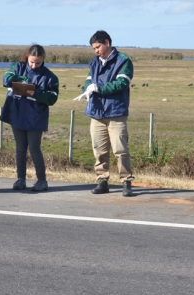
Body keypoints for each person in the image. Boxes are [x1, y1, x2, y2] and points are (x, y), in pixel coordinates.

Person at [74, 30, 134, 197]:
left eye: (98, 47)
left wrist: (98, 88)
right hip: (97, 112)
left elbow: (121, 83)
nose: (96, 51)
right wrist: (87, 89)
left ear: (107, 43)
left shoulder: (123, 61)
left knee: (120, 150)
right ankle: (102, 180)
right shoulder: (94, 63)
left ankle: (126, 181)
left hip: (116, 112)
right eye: (94, 48)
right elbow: (89, 79)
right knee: (99, 150)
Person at [0, 44, 59, 191]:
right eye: (31, 62)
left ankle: (42, 181)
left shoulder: (50, 77)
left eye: (37, 63)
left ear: (43, 59)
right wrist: (23, 81)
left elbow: (52, 98)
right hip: (17, 114)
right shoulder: (18, 67)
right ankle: (21, 179)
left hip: (35, 117)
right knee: (20, 148)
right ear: (27, 58)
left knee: (34, 148)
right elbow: (6, 78)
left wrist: (36, 93)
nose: (33, 66)